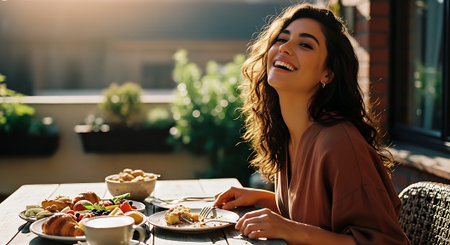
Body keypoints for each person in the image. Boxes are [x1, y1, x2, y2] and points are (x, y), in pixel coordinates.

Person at [213, 3, 410, 245]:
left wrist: (292, 231)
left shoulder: (339, 144)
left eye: (305, 44)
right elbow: (316, 218)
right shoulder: (290, 133)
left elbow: (387, 242)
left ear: (327, 74)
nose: (284, 48)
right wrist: (261, 198)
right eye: (281, 39)